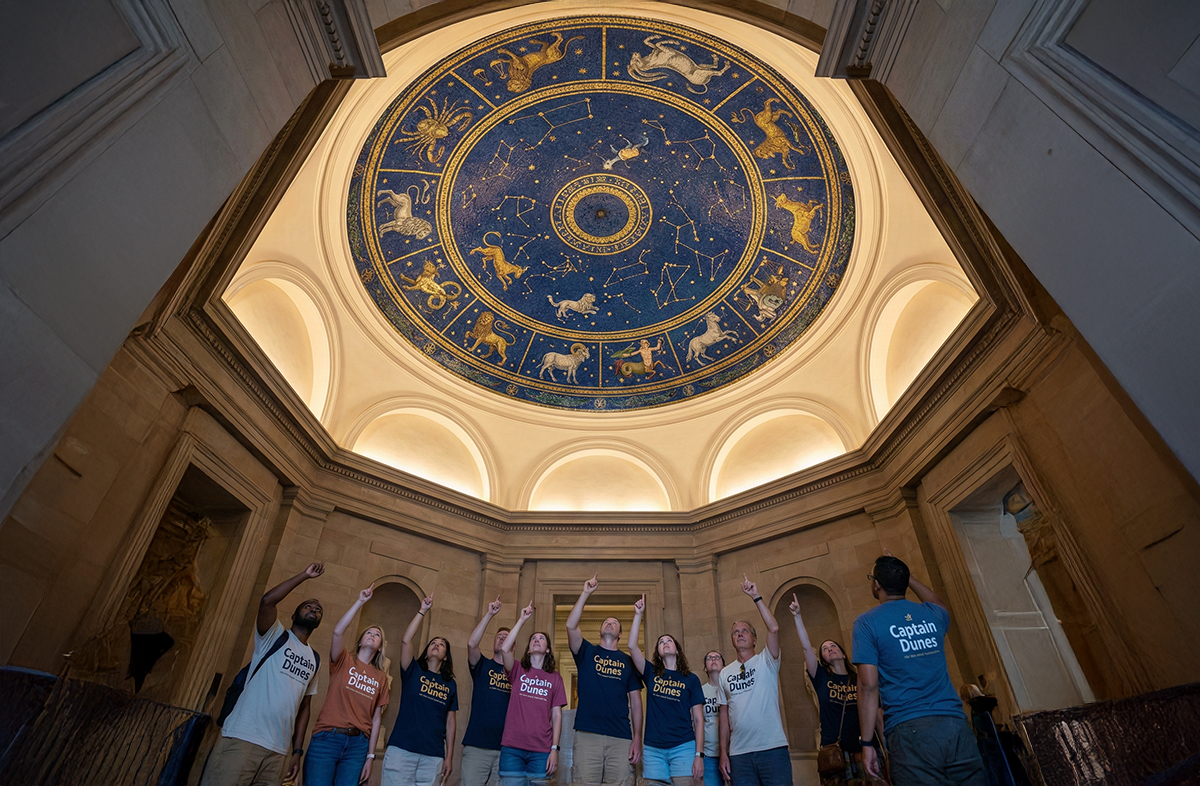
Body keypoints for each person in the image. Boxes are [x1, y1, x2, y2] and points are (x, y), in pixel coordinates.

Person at [853, 554, 986, 786]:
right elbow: (939, 603)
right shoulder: (932, 614)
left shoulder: (866, 623)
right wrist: (906, 577)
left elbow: (868, 685)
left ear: (876, 584)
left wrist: (867, 743)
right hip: (955, 725)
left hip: (909, 731)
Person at [202, 561, 325, 786]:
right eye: (307, 606)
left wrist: (296, 751)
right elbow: (267, 601)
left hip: (277, 751)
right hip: (243, 738)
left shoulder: (314, 659)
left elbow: (305, 708)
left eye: (317, 610)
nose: (313, 610)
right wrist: (304, 575)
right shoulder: (274, 636)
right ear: (294, 615)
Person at [789, 592, 882, 784]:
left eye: (833, 646)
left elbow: (877, 712)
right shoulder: (821, 677)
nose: (830, 648)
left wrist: (885, 747)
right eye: (825, 648)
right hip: (835, 753)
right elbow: (806, 648)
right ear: (822, 659)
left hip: (865, 747)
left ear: (842, 653)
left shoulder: (860, 678)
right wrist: (797, 617)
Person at [304, 584, 390, 786]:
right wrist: (360, 601)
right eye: (369, 632)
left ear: (379, 648)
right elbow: (337, 632)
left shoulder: (381, 677)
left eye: (377, 635)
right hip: (327, 738)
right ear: (360, 642)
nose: (372, 635)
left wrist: (370, 756)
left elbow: (376, 718)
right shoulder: (343, 660)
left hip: (357, 746)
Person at [565, 574, 645, 786]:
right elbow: (571, 626)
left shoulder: (629, 661)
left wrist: (637, 738)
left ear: (620, 634)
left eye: (615, 623)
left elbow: (636, 702)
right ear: (600, 631)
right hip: (587, 734)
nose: (610, 623)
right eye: (606, 622)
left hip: (620, 737)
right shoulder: (586, 652)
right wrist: (585, 594)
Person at [717, 574, 791, 786]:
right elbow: (723, 715)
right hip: (740, 755)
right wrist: (724, 753)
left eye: (744, 631)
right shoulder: (725, 672)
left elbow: (774, 629)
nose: (739, 634)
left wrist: (756, 597)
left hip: (772, 750)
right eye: (735, 632)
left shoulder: (766, 660)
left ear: (754, 638)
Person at [381, 593, 458, 786]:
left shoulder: (450, 684)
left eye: (441, 645)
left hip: (433, 756)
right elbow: (406, 640)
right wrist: (422, 610)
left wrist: (449, 757)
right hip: (402, 749)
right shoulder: (412, 670)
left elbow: (450, 722)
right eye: (433, 643)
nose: (436, 645)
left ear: (446, 656)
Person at [628, 594, 705, 786]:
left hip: (684, 747)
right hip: (653, 749)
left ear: (677, 649)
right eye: (661, 642)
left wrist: (699, 755)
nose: (665, 643)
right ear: (658, 652)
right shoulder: (651, 673)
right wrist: (638, 615)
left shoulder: (691, 679)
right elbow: (631, 646)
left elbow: (699, 719)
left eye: (668, 640)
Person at [498, 601, 567, 785]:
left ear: (548, 649)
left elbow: (557, 715)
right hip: (513, 747)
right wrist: (521, 620)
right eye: (533, 639)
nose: (536, 640)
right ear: (528, 649)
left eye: (541, 638)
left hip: (542, 750)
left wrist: (555, 749)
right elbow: (505, 648)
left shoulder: (555, 677)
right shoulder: (518, 670)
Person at [462, 596, 513, 786]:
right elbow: (471, 645)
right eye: (498, 637)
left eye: (506, 638)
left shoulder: (516, 673)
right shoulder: (482, 665)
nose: (501, 639)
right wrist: (489, 615)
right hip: (477, 745)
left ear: (513, 646)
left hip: (506, 748)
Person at [701, 651, 725, 786]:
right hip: (709, 754)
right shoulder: (701, 691)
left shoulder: (730, 689)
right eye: (709, 658)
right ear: (705, 668)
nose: (714, 659)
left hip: (732, 752)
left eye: (717, 657)